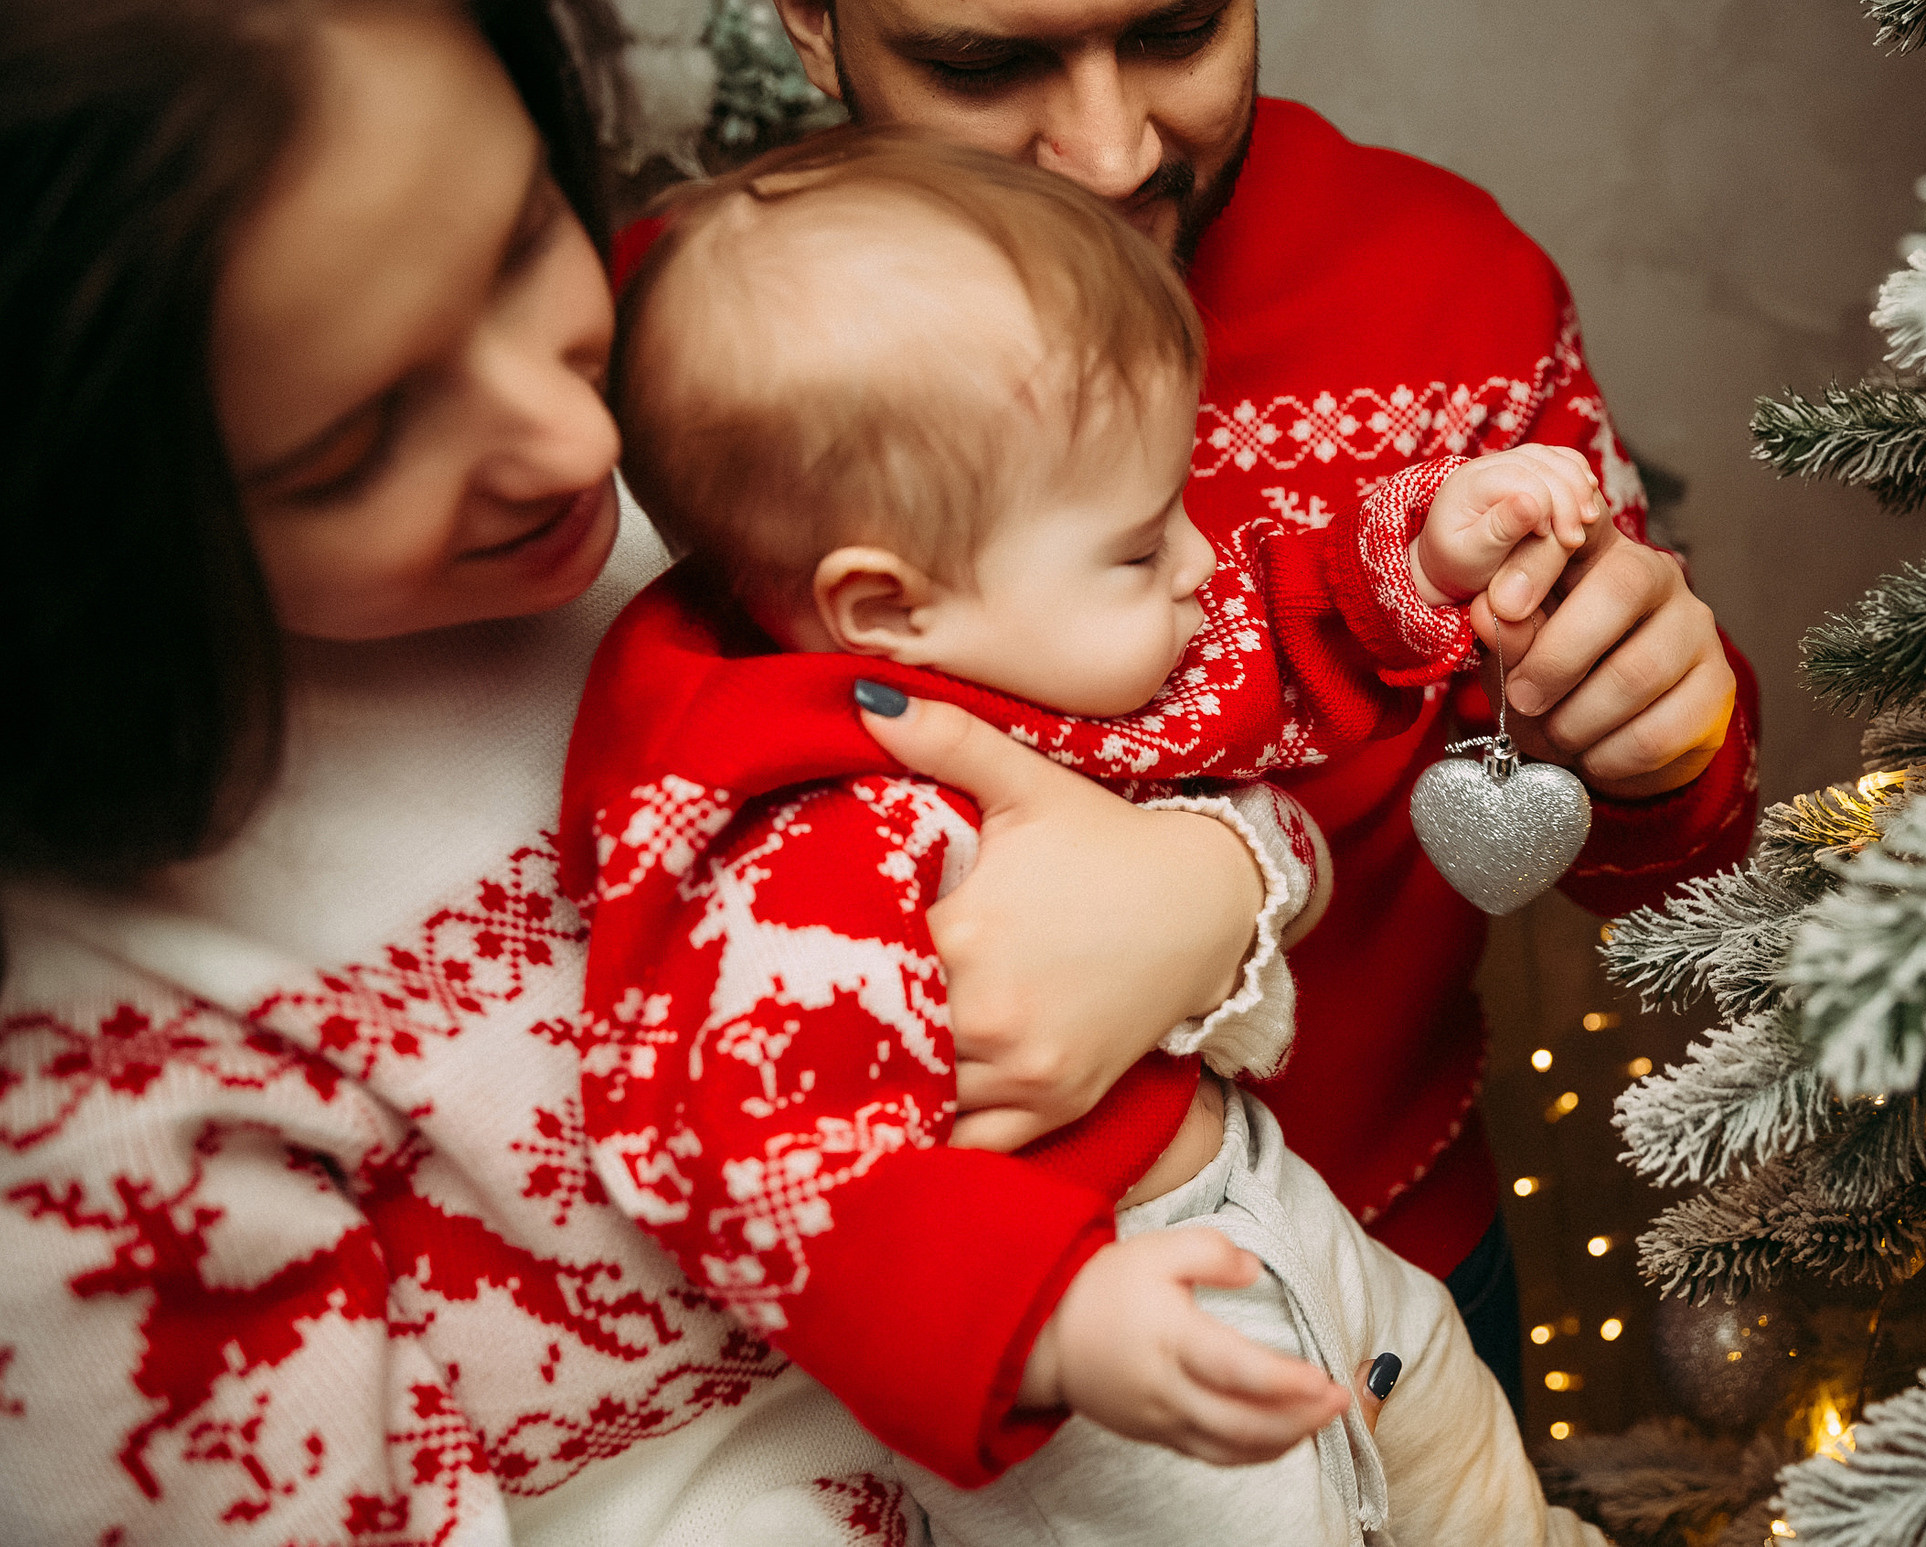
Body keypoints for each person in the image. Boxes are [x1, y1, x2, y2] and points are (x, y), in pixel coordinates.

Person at [0, 1, 1338, 1541]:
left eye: (520, 243)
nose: (574, 437)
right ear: (87, 524)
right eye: (362, 438)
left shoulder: (720, 456)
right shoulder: (93, 1096)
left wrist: (1219, 881)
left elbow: (1144, 739)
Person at [574, 126, 1613, 1544]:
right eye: (1136, 546)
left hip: (1294, 1230)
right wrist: (1051, 1322)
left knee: (1473, 1464)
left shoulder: (1000, 645)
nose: (1195, 557)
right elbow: (768, 1169)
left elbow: (1250, 644)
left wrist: (1427, 555)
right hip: (1120, 1343)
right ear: (885, 608)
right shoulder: (801, 846)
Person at [764, 0, 1764, 1398]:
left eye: (1176, 32)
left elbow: (1673, 884)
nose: (1110, 155)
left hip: (1396, 1282)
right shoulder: (705, 364)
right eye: (983, 65)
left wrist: (1664, 752)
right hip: (927, 1350)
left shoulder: (1457, 291)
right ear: (811, 23)